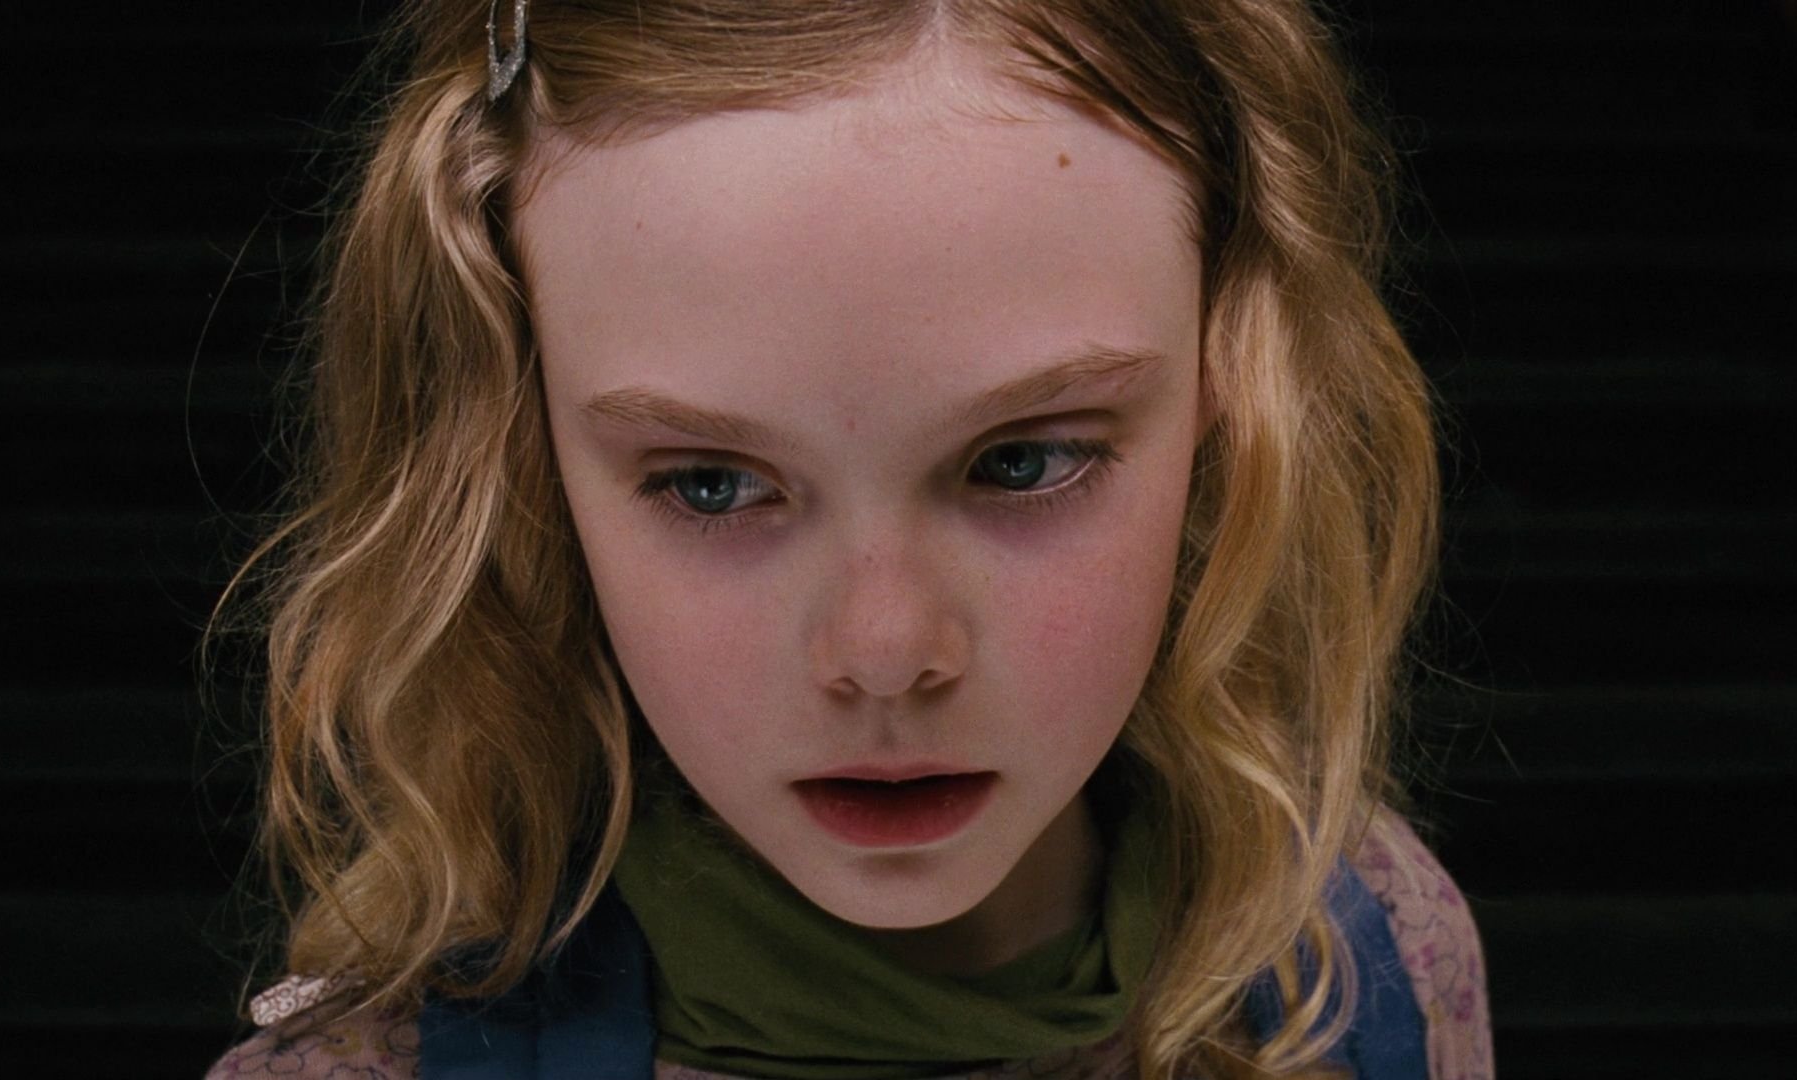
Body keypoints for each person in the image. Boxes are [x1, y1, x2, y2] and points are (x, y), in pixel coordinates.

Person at [206, 0, 1491, 1077]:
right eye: (711, 484)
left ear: (1231, 403)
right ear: (519, 458)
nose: (884, 654)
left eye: (1023, 462)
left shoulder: (1370, 959)